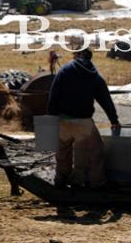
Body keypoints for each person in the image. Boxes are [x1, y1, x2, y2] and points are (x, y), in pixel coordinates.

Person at [47, 44, 121, 189]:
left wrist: (51, 119)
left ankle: (60, 180)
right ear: (90, 58)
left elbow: (53, 96)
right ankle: (96, 183)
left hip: (63, 119)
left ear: (77, 55)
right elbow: (105, 100)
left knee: (63, 152)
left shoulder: (64, 71)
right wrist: (114, 120)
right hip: (83, 121)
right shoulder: (95, 75)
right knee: (95, 151)